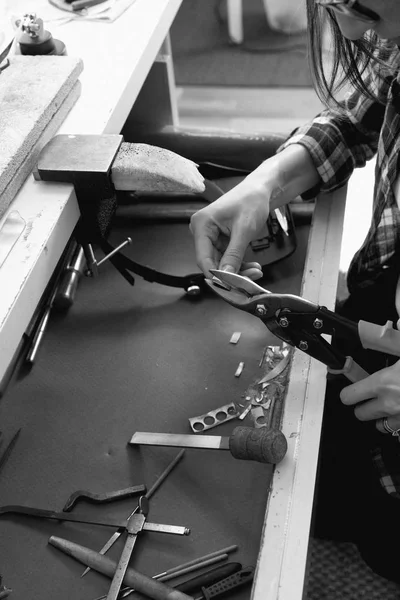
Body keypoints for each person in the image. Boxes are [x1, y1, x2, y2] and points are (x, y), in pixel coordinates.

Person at [190, 0, 400, 585]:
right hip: (386, 300)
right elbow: (363, 114)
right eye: (335, 5)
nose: (356, 33)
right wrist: (269, 181)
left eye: (367, 12)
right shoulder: (395, 43)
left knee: (386, 543)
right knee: (330, 487)